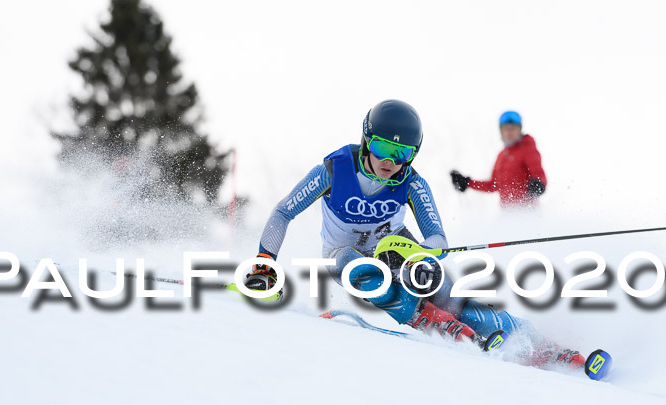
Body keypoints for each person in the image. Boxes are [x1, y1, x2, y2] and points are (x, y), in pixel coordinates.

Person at [245, 100, 587, 370]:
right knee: (359, 269)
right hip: (343, 252)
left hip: (397, 249)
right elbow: (282, 212)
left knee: (452, 298)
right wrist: (264, 264)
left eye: (403, 154)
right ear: (366, 140)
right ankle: (428, 319)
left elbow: (437, 236)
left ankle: (542, 346)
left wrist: (421, 254)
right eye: (381, 148)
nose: (390, 161)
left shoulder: (412, 182)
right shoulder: (334, 170)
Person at [450, 111, 547, 208]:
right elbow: (493, 185)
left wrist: (539, 184)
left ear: (519, 130)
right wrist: (468, 183)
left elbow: (539, 175)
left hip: (527, 211)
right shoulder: (502, 155)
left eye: (513, 128)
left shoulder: (527, 149)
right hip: (507, 213)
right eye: (506, 129)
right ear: (501, 131)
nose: (509, 132)